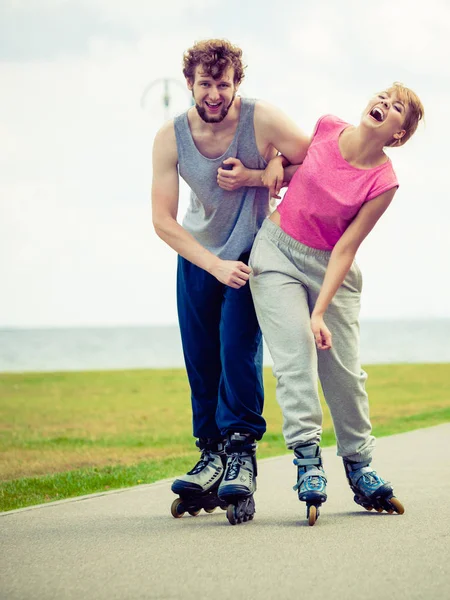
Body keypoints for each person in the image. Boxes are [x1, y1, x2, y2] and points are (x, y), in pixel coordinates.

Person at [249, 83, 424, 525]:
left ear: (399, 134)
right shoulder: (327, 128)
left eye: (397, 106)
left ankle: (360, 466)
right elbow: (291, 163)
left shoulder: (384, 181)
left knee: (343, 371)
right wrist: (270, 162)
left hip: (332, 268)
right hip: (276, 252)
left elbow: (346, 247)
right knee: (294, 361)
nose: (384, 104)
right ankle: (308, 462)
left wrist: (319, 312)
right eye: (383, 96)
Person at [151, 38, 310, 524]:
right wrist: (212, 265)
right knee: (200, 360)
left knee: (236, 350)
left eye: (223, 83)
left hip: (252, 253)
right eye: (205, 83)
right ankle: (211, 452)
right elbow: (163, 220)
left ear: (236, 83)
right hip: (199, 257)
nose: (214, 93)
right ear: (190, 84)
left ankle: (240, 450)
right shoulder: (170, 137)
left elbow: (315, 163)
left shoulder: (262, 119)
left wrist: (264, 171)